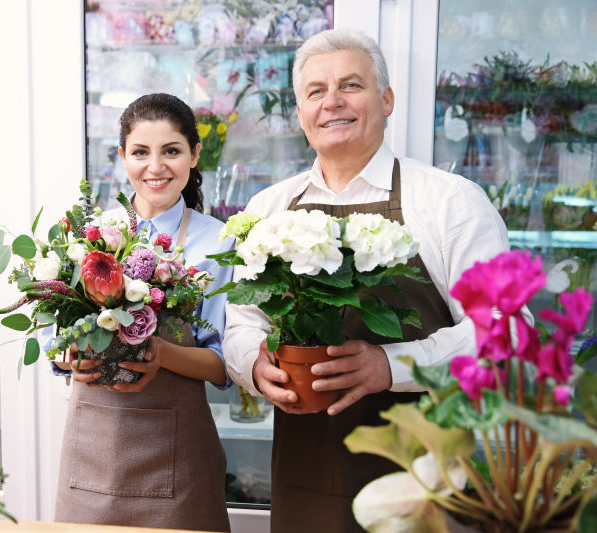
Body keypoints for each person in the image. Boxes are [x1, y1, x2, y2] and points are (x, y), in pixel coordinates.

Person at [222, 29, 530, 533]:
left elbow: (506, 332)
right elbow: (241, 325)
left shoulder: (450, 201)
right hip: (305, 473)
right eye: (315, 92)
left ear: (386, 100)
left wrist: (389, 365)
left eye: (351, 85)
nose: (332, 103)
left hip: (424, 476)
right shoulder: (268, 209)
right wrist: (255, 367)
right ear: (300, 113)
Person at [52, 93, 233, 532]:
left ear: (194, 155)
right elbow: (54, 343)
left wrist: (159, 353)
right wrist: (69, 356)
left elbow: (224, 364)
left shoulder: (220, 242)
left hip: (181, 457)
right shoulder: (87, 237)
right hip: (94, 446)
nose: (156, 167)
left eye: (171, 151)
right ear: (122, 157)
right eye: (140, 152)